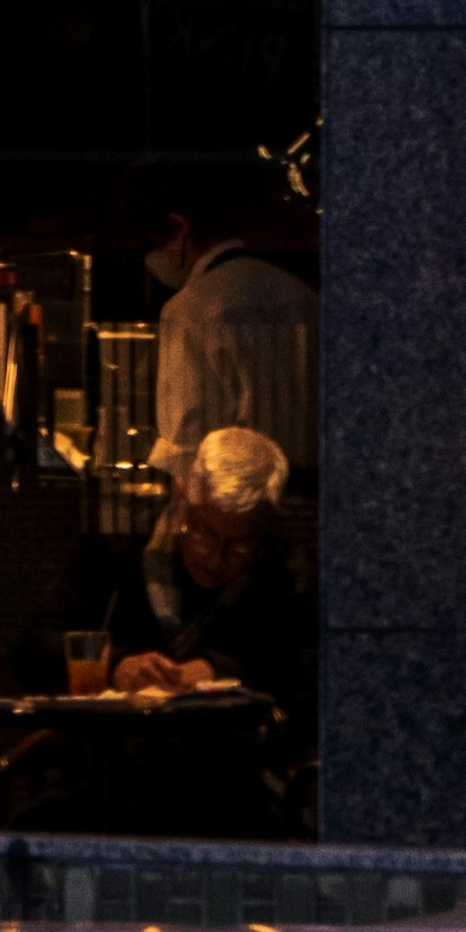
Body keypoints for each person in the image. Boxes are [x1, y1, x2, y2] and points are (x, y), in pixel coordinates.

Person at [81, 424, 316, 711]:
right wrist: (115, 663)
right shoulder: (122, 552)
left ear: (265, 528)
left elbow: (311, 681)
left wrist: (224, 670)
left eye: (239, 546)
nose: (216, 558)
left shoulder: (287, 575)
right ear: (182, 498)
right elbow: (33, 649)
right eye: (204, 532)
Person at [137, 172, 320, 475]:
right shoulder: (303, 295)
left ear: (179, 227)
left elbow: (188, 444)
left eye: (152, 244)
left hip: (241, 506)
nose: (152, 258)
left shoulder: (188, 311)